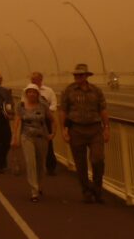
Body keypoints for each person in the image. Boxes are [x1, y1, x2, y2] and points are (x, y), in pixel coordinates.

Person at [59, 63, 110, 203]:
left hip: (95, 129)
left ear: (87, 76)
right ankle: (86, 191)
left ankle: (97, 189)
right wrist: (64, 129)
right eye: (76, 75)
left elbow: (103, 109)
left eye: (80, 75)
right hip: (76, 130)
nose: (77, 77)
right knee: (80, 164)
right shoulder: (68, 91)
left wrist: (106, 128)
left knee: (98, 159)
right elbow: (63, 110)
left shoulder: (96, 91)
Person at [12, 84, 55, 202]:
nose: (31, 94)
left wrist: (53, 133)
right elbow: (17, 121)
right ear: (26, 94)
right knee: (30, 163)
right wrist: (14, 137)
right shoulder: (20, 106)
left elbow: (52, 120)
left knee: (41, 163)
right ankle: (34, 191)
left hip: (42, 137)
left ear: (37, 94)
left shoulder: (43, 106)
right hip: (27, 137)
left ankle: (39, 184)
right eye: (29, 92)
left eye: (34, 92)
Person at [22, 72, 58, 175]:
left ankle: (50, 166)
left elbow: (54, 104)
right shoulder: (26, 91)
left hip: (45, 120)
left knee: (48, 143)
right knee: (33, 143)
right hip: (31, 121)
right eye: (32, 80)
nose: (33, 82)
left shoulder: (48, 91)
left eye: (35, 80)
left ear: (40, 80)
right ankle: (36, 166)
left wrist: (45, 111)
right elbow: (23, 104)